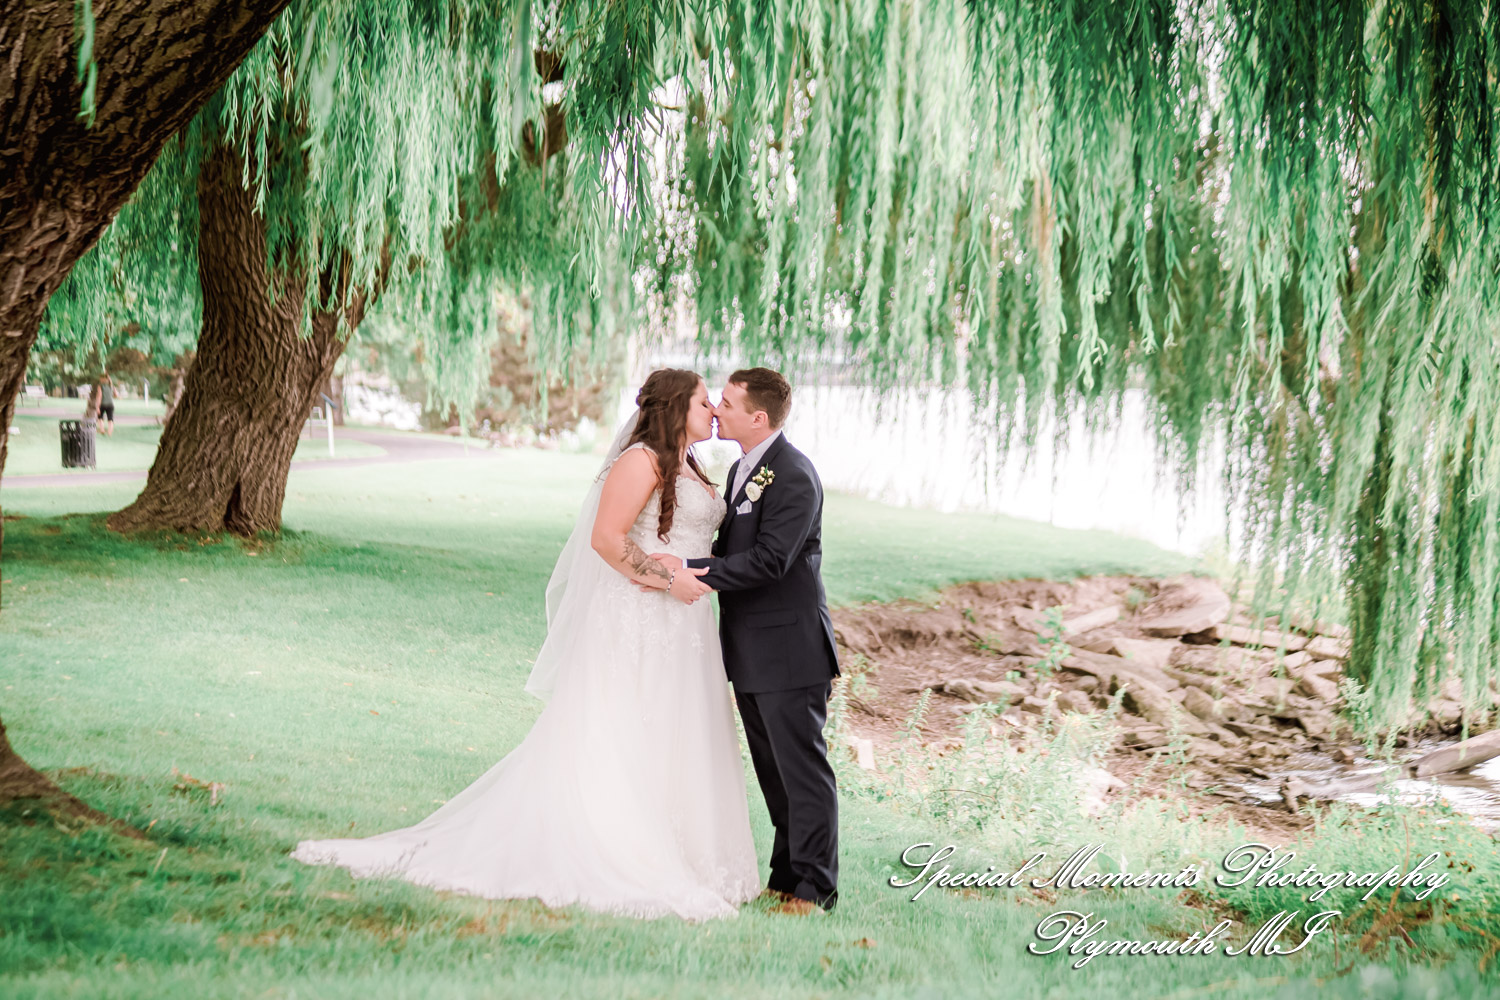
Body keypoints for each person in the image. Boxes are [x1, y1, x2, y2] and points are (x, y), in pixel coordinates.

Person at [290, 369, 761, 921]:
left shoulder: (695, 465)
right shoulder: (641, 460)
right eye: (706, 402)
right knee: (622, 728)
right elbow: (606, 539)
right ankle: (618, 846)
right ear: (677, 405)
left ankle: (684, 852)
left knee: (673, 733)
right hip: (639, 617)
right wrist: (667, 581)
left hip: (684, 629)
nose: (712, 411)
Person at [648, 367, 842, 915]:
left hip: (791, 649)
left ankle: (815, 890)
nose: (717, 410)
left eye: (727, 403)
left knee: (803, 773)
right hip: (752, 650)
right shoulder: (740, 470)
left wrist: (689, 567)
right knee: (774, 774)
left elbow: (770, 561)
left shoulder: (795, 474)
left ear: (758, 418)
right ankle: (785, 881)